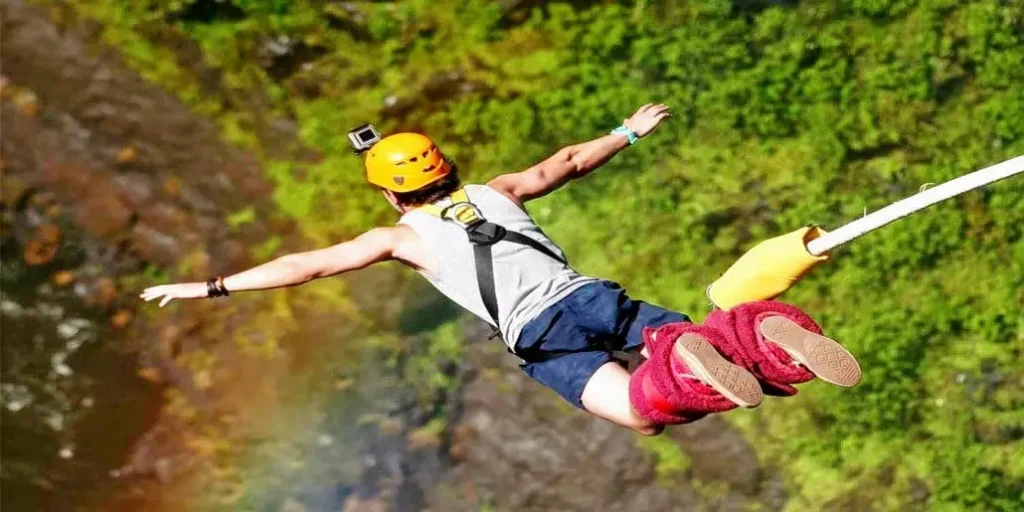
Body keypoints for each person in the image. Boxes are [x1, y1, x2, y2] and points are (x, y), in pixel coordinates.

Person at [141, 104, 861, 436]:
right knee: (699, 340)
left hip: (539, 338)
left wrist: (212, 285)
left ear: (391, 195)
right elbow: (567, 163)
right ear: (447, 169)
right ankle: (758, 331)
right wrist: (627, 131)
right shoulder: (497, 191)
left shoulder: (398, 239)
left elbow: (306, 266)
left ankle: (686, 359)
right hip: (589, 298)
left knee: (643, 413)